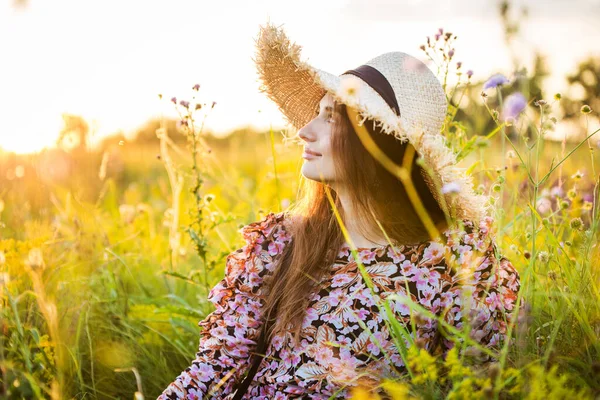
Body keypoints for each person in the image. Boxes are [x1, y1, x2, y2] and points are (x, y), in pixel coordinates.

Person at [158, 21, 521, 399]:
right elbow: (212, 372)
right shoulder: (278, 241)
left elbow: (478, 385)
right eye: (317, 112)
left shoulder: (458, 260)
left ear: (378, 142)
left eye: (331, 117)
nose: (305, 131)